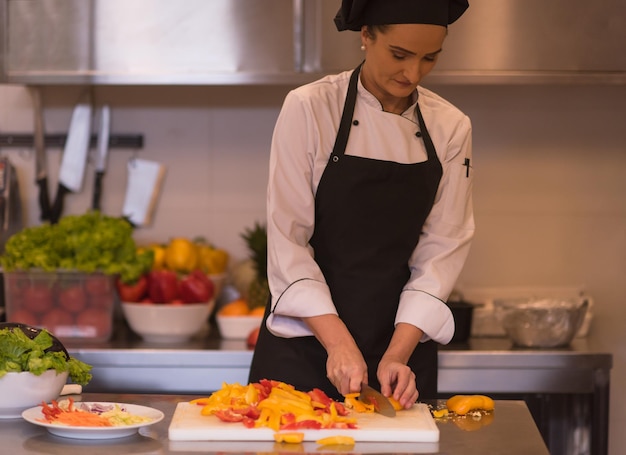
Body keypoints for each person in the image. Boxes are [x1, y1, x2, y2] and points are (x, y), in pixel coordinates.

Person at [248, 0, 474, 409]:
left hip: (400, 355)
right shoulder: (311, 109)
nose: (413, 73)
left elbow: (442, 249)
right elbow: (289, 243)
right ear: (366, 36)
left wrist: (397, 355)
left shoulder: (451, 127)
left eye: (430, 58)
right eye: (400, 55)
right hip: (304, 346)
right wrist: (338, 343)